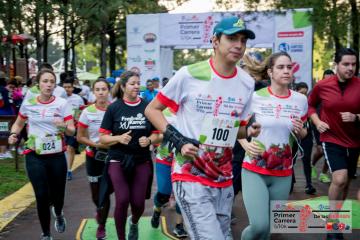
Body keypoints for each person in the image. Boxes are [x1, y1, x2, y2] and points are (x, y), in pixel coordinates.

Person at [145, 16, 261, 239]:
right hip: (190, 175)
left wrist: (250, 131)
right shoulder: (189, 74)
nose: (239, 45)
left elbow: (235, 131)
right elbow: (152, 110)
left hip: (223, 177)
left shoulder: (247, 83)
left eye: (243, 40)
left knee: (224, 236)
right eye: (232, 38)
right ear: (215, 41)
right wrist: (179, 142)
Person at [239, 52, 308, 240]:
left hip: (283, 172)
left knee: (270, 229)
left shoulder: (300, 100)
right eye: (281, 67)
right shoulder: (255, 97)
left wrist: (301, 130)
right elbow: (237, 128)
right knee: (259, 226)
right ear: (270, 72)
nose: (286, 71)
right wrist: (245, 145)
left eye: (289, 67)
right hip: (255, 168)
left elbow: (303, 133)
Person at [8, 69, 75, 240]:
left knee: (58, 195)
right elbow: (18, 123)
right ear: (39, 83)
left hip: (57, 155)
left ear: (55, 84)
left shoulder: (62, 103)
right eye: (45, 81)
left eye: (52, 81)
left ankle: (58, 213)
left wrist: (63, 126)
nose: (49, 84)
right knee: (41, 195)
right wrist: (13, 134)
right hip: (34, 154)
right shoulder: (29, 102)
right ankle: (46, 233)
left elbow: (71, 130)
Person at [99, 71, 161, 240]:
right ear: (124, 86)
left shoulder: (148, 107)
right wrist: (118, 137)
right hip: (117, 159)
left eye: (138, 83)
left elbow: (158, 134)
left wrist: (148, 140)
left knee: (138, 203)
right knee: (123, 199)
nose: (136, 86)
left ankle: (134, 222)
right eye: (132, 83)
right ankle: (121, 237)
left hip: (141, 160)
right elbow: (103, 138)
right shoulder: (114, 108)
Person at [308, 48, 360, 240]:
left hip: (355, 141)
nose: (350, 68)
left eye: (354, 64)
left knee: (345, 183)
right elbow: (310, 105)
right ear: (336, 64)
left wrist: (356, 117)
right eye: (346, 64)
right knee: (339, 179)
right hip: (332, 138)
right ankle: (332, 225)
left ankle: (337, 220)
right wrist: (317, 122)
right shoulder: (323, 85)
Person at [150, 78, 187, 238]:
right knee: (164, 192)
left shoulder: (190, 110)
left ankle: (179, 225)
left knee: (182, 194)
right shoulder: (161, 110)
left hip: (184, 161)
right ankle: (157, 209)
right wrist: (157, 138)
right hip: (165, 158)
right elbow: (156, 136)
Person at [77, 79, 111, 240]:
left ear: (108, 91)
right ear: (93, 92)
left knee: (105, 194)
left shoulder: (115, 109)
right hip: (93, 158)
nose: (101, 92)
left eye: (104, 89)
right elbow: (80, 137)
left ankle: (102, 226)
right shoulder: (87, 112)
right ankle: (100, 210)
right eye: (97, 89)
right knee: (96, 196)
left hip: (112, 158)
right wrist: (95, 144)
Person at [310, 69, 335, 184]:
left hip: (332, 125)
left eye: (331, 78)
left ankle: (323, 174)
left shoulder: (337, 91)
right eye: (326, 78)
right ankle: (312, 165)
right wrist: (316, 121)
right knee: (320, 150)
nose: (328, 80)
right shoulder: (318, 89)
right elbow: (310, 106)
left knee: (329, 151)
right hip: (318, 123)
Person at [295, 82, 316, 194]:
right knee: (291, 159)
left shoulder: (309, 103)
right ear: (296, 91)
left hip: (307, 134)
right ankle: (290, 181)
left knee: (306, 158)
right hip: (292, 135)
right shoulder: (291, 102)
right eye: (301, 93)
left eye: (305, 93)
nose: (304, 95)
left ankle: (309, 184)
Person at [63, 78, 85, 180]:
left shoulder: (77, 98)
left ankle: (68, 170)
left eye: (69, 87)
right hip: (61, 126)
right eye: (65, 87)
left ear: (73, 88)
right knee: (63, 149)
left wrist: (77, 121)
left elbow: (80, 112)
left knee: (70, 148)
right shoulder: (58, 98)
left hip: (74, 126)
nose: (67, 89)